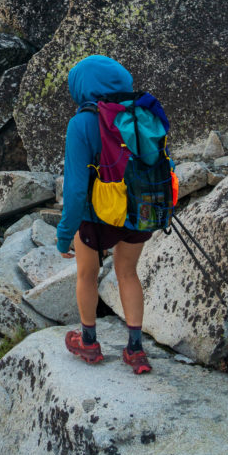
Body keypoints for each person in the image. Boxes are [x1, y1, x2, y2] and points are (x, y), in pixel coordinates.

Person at [56, 54, 152, 374]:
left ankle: (89, 343)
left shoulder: (82, 122)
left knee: (86, 274)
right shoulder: (141, 115)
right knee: (128, 273)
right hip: (139, 212)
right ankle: (136, 351)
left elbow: (75, 191)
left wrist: (63, 235)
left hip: (96, 216)